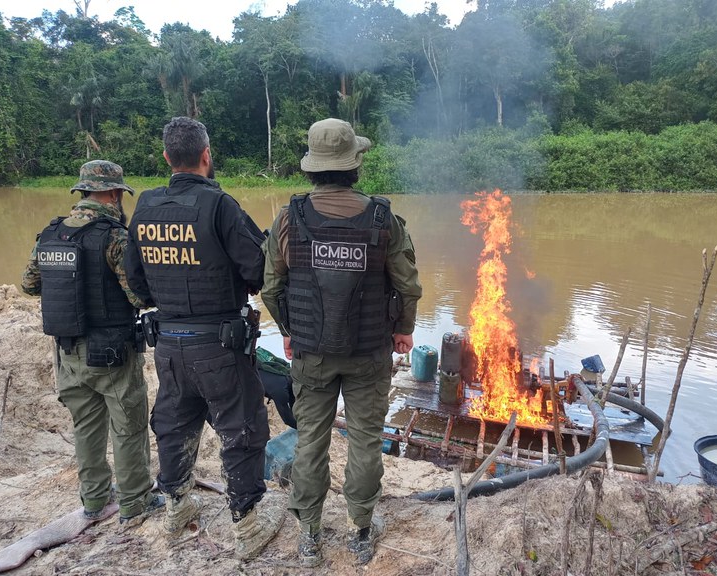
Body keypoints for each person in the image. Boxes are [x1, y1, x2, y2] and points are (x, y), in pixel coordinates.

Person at [261, 118, 422, 567]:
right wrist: (403, 329)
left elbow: (271, 288)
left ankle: (310, 535)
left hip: (311, 353)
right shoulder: (382, 218)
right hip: (369, 352)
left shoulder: (289, 219)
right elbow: (407, 286)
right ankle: (359, 530)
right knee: (366, 441)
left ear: (312, 168)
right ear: (355, 166)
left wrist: (291, 332)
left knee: (311, 440)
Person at [123, 116, 285, 560]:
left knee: (174, 424)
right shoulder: (221, 207)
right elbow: (258, 271)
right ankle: (247, 524)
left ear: (166, 158)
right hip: (220, 345)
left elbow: (134, 279)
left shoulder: (146, 208)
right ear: (206, 155)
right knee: (243, 428)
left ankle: (177, 507)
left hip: (169, 345)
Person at [21, 160, 163, 526]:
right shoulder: (114, 237)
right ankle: (134, 502)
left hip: (67, 351)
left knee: (85, 426)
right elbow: (138, 297)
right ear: (115, 194)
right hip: (112, 351)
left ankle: (95, 499)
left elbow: (29, 285)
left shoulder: (50, 235)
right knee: (128, 426)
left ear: (82, 191)